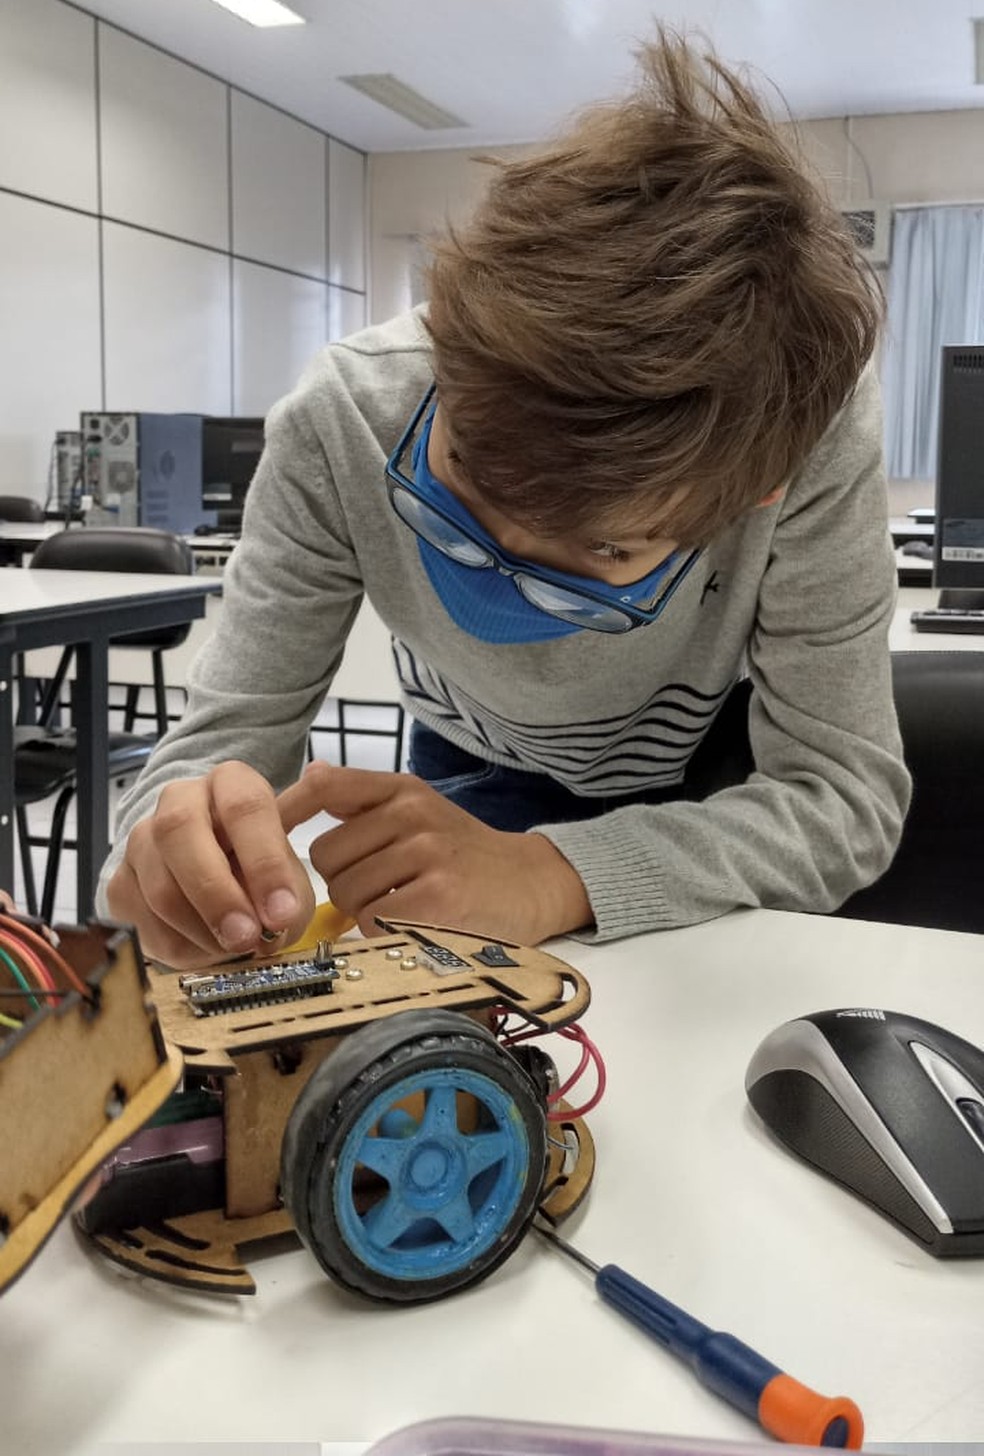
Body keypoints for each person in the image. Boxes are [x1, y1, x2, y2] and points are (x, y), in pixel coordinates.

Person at [99, 30, 910, 970]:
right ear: (444, 355)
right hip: (467, 766)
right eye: (462, 492)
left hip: (712, 793)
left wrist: (552, 874)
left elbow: (841, 798)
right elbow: (221, 739)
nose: (506, 570)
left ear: (753, 496)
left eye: (603, 557)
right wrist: (174, 844)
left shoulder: (805, 435)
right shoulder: (346, 418)